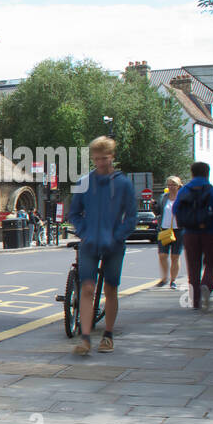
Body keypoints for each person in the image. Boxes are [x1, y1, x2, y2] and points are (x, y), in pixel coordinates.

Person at [68, 136, 135, 354]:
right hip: (90, 243)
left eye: (104, 158)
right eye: (96, 159)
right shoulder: (83, 182)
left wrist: (117, 236)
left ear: (112, 157)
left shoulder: (124, 184)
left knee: (111, 289)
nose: (100, 163)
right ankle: (85, 338)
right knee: (87, 288)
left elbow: (131, 218)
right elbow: (74, 213)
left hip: (114, 245)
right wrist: (83, 232)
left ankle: (108, 335)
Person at [172, 161, 213, 312]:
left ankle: (195, 301)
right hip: (210, 232)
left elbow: (176, 208)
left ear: (192, 173)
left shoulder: (184, 190)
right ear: (207, 173)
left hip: (190, 233)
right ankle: (207, 285)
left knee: (193, 266)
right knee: (212, 262)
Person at [157, 176, 184, 288]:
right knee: (162, 255)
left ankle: (173, 280)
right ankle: (164, 278)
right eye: (169, 185)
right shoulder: (163, 197)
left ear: (178, 186)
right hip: (165, 229)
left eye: (173, 185)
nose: (171, 187)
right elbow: (158, 211)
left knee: (175, 256)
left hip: (179, 230)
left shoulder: (183, 198)